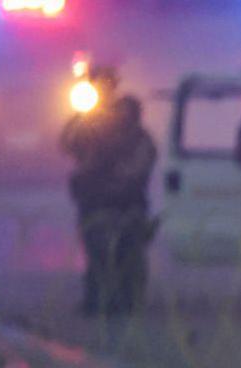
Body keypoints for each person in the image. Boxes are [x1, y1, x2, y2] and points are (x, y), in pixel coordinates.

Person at [60, 68, 158, 315]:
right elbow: (68, 144)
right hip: (96, 204)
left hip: (126, 205)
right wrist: (82, 116)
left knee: (128, 257)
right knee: (97, 257)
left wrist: (108, 181)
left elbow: (136, 170)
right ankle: (97, 302)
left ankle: (125, 303)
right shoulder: (93, 126)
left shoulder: (138, 138)